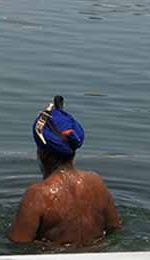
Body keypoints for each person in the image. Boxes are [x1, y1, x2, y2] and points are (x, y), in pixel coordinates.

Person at [9, 95, 120, 247]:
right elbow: (115, 229)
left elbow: (17, 244)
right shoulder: (97, 183)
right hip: (95, 257)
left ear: (41, 153)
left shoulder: (38, 195)